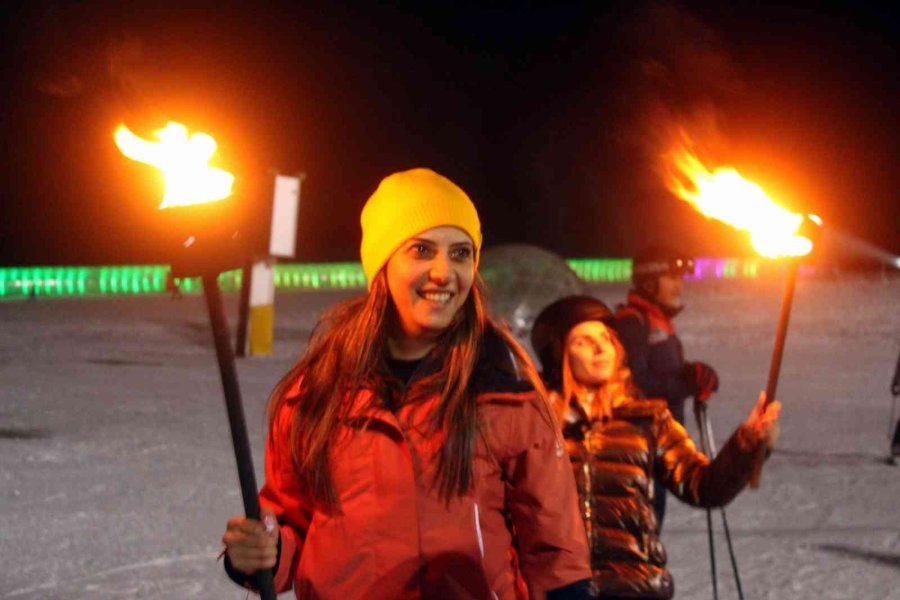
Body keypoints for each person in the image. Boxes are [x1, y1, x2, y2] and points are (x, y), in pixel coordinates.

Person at [221, 168, 592, 599]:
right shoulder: (317, 391)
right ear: (382, 263)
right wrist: (261, 551)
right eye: (421, 250)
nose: (443, 272)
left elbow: (554, 545)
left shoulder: (504, 386)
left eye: (460, 253)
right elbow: (289, 525)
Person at [530, 295, 780, 599]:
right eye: (583, 340)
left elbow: (704, 486)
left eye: (606, 338)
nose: (599, 348)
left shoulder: (648, 419)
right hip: (559, 591)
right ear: (558, 355)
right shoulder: (533, 424)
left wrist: (746, 444)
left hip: (633, 590)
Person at [613, 246, 718, 528]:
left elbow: (663, 373)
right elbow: (635, 384)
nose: (678, 285)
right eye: (670, 277)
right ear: (649, 281)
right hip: (641, 451)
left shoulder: (658, 321)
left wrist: (694, 374)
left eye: (679, 278)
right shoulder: (633, 323)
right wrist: (686, 382)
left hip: (660, 448)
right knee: (640, 535)